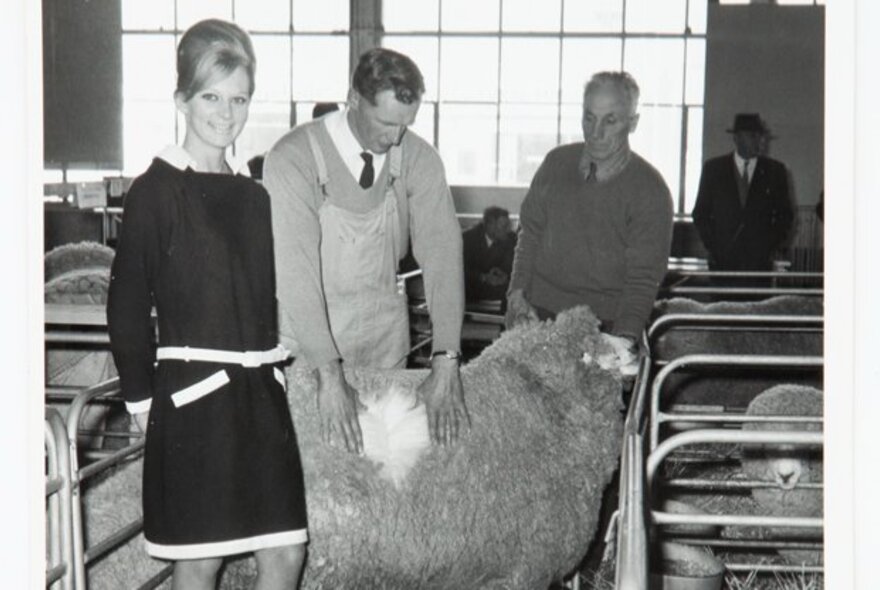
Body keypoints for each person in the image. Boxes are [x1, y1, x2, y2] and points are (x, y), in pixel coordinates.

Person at [107, 20, 307, 589]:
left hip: (260, 396)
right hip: (193, 401)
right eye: (210, 96)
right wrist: (144, 404)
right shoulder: (155, 191)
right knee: (200, 561)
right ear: (181, 101)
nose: (226, 112)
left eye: (239, 98)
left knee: (286, 553)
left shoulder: (253, 193)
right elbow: (124, 305)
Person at [263, 47, 469, 452]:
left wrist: (447, 359)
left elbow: (443, 255)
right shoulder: (293, 159)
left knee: (382, 470)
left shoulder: (417, 158)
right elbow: (295, 273)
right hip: (307, 350)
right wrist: (329, 375)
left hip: (382, 342)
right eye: (386, 123)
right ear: (353, 99)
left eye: (406, 125)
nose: (395, 138)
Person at [506, 71, 673, 359]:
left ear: (632, 123)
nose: (596, 133)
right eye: (589, 118)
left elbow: (643, 279)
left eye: (611, 120)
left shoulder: (650, 190)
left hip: (602, 329)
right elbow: (529, 233)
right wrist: (517, 292)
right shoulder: (555, 163)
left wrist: (623, 341)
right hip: (538, 317)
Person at [692, 113, 794, 272]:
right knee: (723, 298)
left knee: (759, 298)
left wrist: (768, 247)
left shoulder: (775, 171)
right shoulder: (713, 169)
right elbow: (700, 213)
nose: (759, 141)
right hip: (722, 262)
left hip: (759, 264)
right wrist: (714, 246)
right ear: (737, 138)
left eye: (761, 136)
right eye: (753, 136)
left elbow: (785, 215)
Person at [462, 206, 517, 306]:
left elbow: (515, 266)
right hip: (471, 290)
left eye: (508, 225)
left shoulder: (512, 239)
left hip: (499, 290)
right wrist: (483, 277)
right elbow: (460, 269)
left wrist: (505, 276)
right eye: (504, 226)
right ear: (490, 225)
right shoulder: (467, 239)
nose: (508, 230)